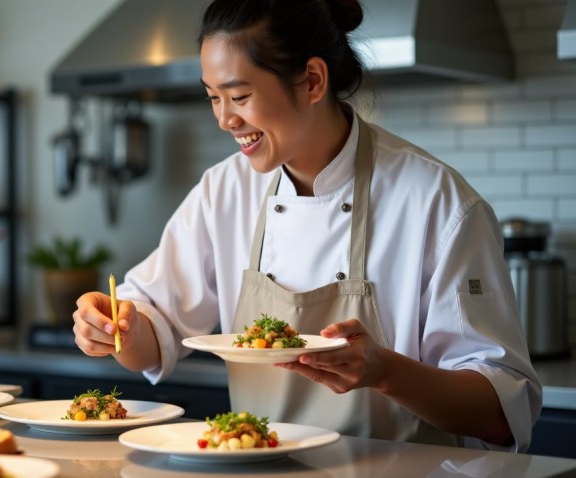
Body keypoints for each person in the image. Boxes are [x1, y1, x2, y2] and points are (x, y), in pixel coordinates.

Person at [72, 0, 542, 452]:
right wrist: (117, 330)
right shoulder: (225, 190)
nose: (224, 119)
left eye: (239, 96)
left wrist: (384, 371)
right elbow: (152, 334)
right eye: (212, 97)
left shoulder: (435, 201)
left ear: (312, 81)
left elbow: (499, 413)